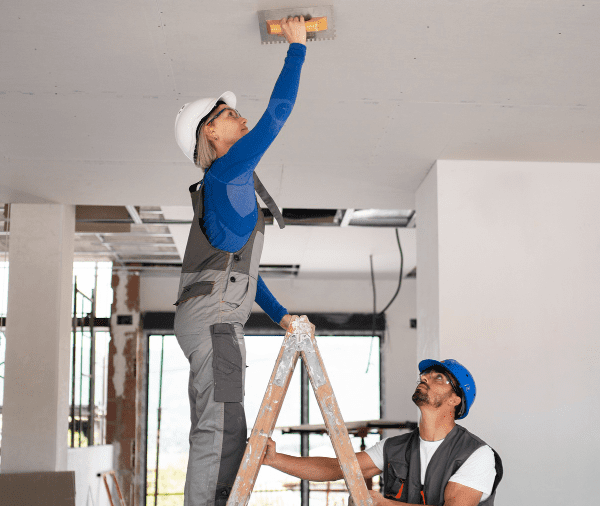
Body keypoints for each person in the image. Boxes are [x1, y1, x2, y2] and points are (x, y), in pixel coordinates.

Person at [172, 17, 308, 506]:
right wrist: (296, 48)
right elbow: (277, 114)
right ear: (211, 131)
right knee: (223, 427)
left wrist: (279, 314)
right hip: (215, 322)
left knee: (224, 424)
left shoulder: (227, 183)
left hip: (210, 317)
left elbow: (245, 274)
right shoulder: (227, 171)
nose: (241, 116)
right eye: (229, 113)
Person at [263, 359, 503, 505]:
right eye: (424, 376)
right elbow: (336, 468)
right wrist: (274, 459)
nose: (425, 379)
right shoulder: (393, 448)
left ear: (456, 399)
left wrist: (382, 504)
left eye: (438, 377)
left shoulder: (476, 455)